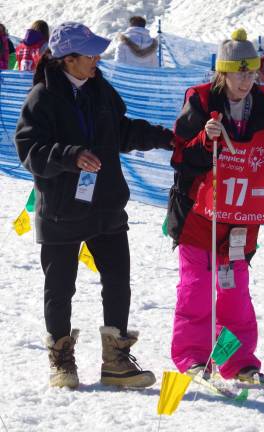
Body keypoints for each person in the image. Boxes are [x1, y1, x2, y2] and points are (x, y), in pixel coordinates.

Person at [15, 21, 174, 390]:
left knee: (118, 281)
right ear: (68, 59)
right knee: (60, 288)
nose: (96, 58)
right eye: (89, 54)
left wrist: (165, 138)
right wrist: (70, 156)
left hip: (105, 204)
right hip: (60, 210)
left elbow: (121, 130)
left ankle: (116, 361)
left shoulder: (99, 88)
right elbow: (30, 152)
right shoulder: (41, 97)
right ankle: (62, 362)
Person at [167, 28, 264, 384]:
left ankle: (238, 362)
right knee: (197, 288)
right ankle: (194, 358)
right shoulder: (201, 101)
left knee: (233, 292)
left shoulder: (263, 102)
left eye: (252, 71)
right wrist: (205, 139)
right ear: (223, 72)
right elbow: (180, 153)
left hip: (241, 219)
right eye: (239, 72)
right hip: (198, 215)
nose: (247, 79)